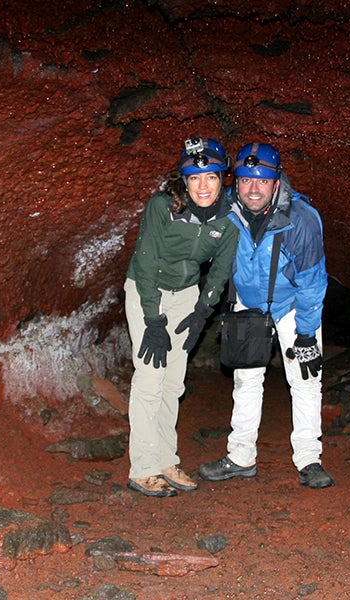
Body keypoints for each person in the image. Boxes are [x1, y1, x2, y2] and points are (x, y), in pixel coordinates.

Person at [198, 142, 334, 489]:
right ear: (236, 183)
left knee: (305, 380)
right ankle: (240, 457)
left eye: (262, 181)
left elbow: (312, 282)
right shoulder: (226, 210)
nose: (253, 189)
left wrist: (306, 334)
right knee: (246, 381)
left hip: (292, 305)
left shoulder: (300, 219)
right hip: (249, 303)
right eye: (246, 180)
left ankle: (309, 460)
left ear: (276, 182)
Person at [124, 137, 239, 497]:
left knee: (174, 383)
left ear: (222, 179)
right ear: (184, 181)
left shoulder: (230, 218)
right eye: (194, 178)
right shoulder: (163, 206)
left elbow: (221, 269)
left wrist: (204, 308)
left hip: (186, 295)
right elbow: (145, 262)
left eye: (211, 177)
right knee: (150, 378)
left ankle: (165, 460)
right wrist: (153, 320)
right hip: (148, 291)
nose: (203, 186)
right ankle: (142, 468)